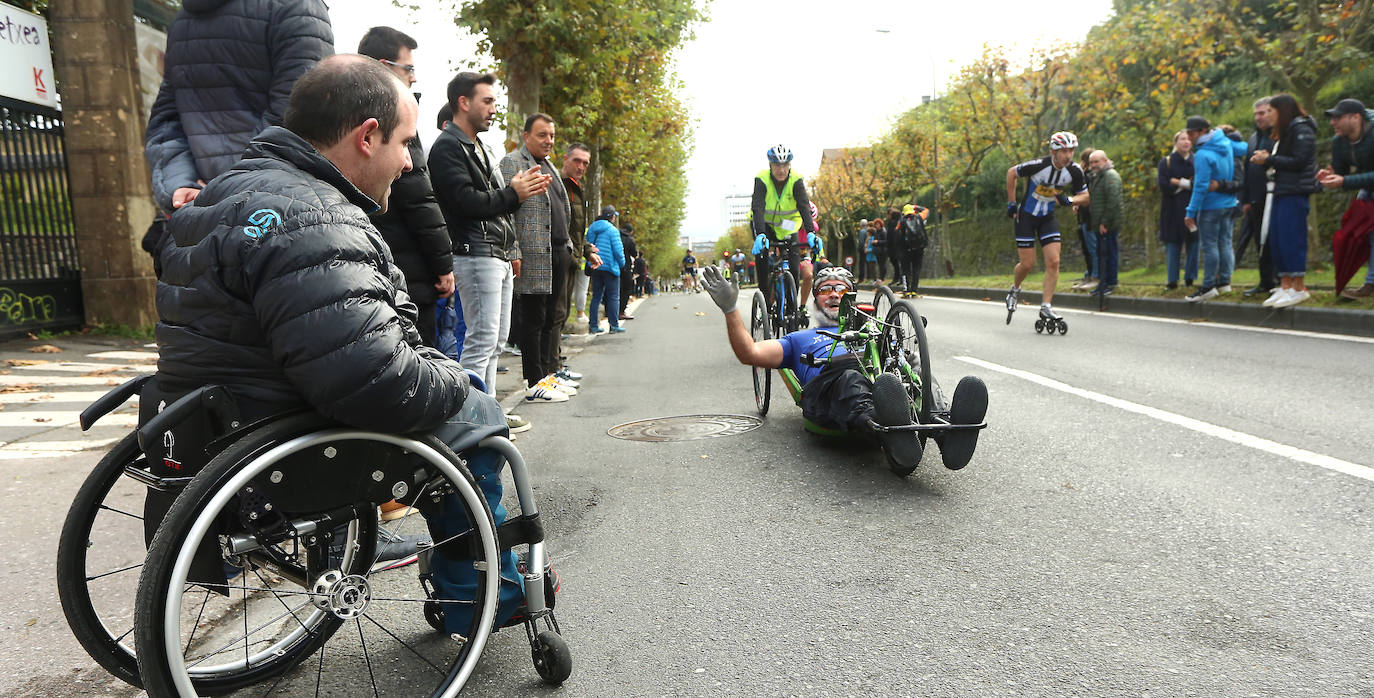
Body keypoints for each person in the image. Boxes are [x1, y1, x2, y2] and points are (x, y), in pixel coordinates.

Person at [152, 54, 527, 636]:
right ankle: (483, 597)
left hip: (207, 429)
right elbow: (373, 380)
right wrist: (455, 379)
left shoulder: (221, 193)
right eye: (405, 144)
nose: (408, 163)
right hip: (288, 447)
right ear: (367, 136)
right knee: (478, 419)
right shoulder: (317, 217)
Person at [698, 265, 922, 471]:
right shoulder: (798, 339)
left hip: (880, 379)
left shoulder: (873, 333)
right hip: (829, 389)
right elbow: (750, 353)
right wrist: (730, 309)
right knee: (850, 375)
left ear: (852, 299)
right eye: (825, 290)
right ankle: (885, 428)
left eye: (841, 289)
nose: (834, 294)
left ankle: (946, 427)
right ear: (815, 301)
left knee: (915, 369)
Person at [144, 0, 334, 215]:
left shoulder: (182, 22)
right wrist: (224, 188)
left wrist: (182, 185)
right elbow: (302, 116)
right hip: (282, 209)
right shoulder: (298, 7)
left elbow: (166, 123)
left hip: (202, 214)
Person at [429, 72, 549, 395]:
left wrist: (516, 198)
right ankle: (472, 421)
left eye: (495, 101)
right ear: (463, 102)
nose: (494, 108)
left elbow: (492, 201)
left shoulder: (477, 146)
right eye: (488, 101)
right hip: (474, 253)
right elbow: (466, 202)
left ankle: (490, 416)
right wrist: (514, 194)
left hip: (495, 254)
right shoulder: (447, 147)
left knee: (495, 343)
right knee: (480, 342)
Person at [357, 27, 453, 350]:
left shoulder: (350, 111)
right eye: (408, 68)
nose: (413, 78)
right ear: (384, 65)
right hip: (407, 271)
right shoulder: (394, 116)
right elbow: (420, 202)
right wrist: (443, 266)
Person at [500, 113, 577, 403]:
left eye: (552, 136)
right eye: (543, 135)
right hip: (532, 255)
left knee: (549, 319)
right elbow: (505, 211)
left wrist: (567, 246)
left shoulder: (549, 167)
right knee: (532, 319)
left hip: (557, 253)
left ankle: (548, 374)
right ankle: (534, 381)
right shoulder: (513, 163)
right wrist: (514, 250)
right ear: (526, 136)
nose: (549, 141)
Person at [1004, 131, 1089, 323]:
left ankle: (1046, 306)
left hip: (1047, 218)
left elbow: (1085, 196)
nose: (1068, 155)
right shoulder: (1039, 165)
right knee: (1027, 264)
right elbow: (1011, 173)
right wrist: (1011, 203)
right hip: (1026, 216)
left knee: (1054, 261)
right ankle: (1014, 289)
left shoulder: (1075, 171)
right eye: (1064, 151)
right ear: (1053, 151)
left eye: (1071, 151)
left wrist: (1069, 200)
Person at [1249, 95, 1318, 308]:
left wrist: (1268, 159)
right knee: (1278, 239)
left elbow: (1299, 161)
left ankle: (1298, 287)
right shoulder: (1284, 132)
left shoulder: (1301, 129)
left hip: (1295, 190)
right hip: (1281, 190)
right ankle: (1285, 285)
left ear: (1283, 110)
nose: (1267, 115)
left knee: (1291, 238)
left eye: (1270, 111)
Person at [1182, 115, 1247, 303]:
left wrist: (1190, 212)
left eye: (1192, 133)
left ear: (1202, 131)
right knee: (1225, 243)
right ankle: (1225, 283)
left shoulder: (1202, 155)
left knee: (1210, 246)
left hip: (1211, 206)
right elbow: (1244, 148)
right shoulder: (1225, 142)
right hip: (1229, 203)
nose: (1190, 136)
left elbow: (1200, 187)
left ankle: (1208, 286)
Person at [1317, 98, 1374, 300]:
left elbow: (1347, 179)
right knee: (1358, 231)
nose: (1333, 122)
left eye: (1338, 118)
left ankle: (1370, 284)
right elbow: (1341, 171)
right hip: (1368, 186)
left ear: (1356, 117)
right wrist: (1330, 175)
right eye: (1332, 118)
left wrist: (1344, 180)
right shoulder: (1339, 141)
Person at [750, 145, 817, 309]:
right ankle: (765, 300)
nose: (781, 170)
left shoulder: (796, 180)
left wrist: (811, 233)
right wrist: (760, 234)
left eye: (785, 165)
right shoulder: (762, 178)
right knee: (763, 260)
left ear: (790, 165)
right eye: (777, 165)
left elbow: (804, 207)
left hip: (788, 228)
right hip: (765, 226)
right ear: (770, 165)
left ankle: (792, 307)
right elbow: (758, 208)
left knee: (794, 269)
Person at [1237, 97, 1279, 298]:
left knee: (1275, 240)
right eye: (1256, 114)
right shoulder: (1253, 138)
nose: (1258, 117)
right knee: (1259, 240)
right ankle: (1265, 280)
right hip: (1255, 199)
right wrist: (1245, 199)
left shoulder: (1279, 136)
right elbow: (1247, 169)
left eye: (1262, 113)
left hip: (1274, 196)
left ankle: (1280, 280)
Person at [560, 143, 601, 326]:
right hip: (557, 260)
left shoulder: (577, 189)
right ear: (565, 159)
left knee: (561, 312)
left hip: (572, 259)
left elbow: (575, 228)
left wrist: (587, 251)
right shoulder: (556, 184)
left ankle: (555, 353)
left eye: (585, 163)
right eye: (577, 161)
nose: (581, 167)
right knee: (553, 314)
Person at [1157, 131, 1198, 290]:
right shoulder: (1166, 162)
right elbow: (1164, 185)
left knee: (1193, 242)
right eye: (1182, 139)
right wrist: (1186, 184)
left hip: (1192, 206)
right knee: (1172, 244)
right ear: (1176, 142)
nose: (1186, 142)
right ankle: (1172, 280)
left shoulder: (1197, 160)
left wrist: (1178, 182)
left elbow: (1199, 184)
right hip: (1171, 209)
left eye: (1188, 139)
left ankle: (1190, 278)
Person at [1087, 150, 1123, 295]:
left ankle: (1110, 283)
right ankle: (1103, 283)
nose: (1093, 165)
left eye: (1097, 161)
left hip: (1108, 223)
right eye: (1091, 162)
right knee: (1102, 253)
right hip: (1100, 222)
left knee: (1108, 252)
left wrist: (1105, 222)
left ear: (1105, 160)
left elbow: (1113, 200)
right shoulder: (1098, 177)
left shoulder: (1110, 176)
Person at [586, 206, 627, 333]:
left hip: (595, 266)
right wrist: (622, 264)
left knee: (596, 297)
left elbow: (587, 246)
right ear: (612, 217)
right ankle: (613, 325)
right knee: (613, 296)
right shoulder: (612, 230)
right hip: (610, 266)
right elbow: (618, 250)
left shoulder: (592, 228)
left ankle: (593, 325)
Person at [1071, 152, 1099, 292]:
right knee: (1087, 249)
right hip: (1084, 218)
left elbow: (1087, 198)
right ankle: (1089, 274)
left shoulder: (1088, 177)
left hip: (1089, 218)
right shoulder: (1084, 177)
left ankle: (1095, 276)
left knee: (1092, 249)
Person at [897, 204, 930, 291]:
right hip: (919, 248)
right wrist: (915, 206)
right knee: (916, 269)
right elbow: (926, 210)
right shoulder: (919, 217)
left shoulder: (901, 221)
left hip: (906, 249)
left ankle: (906, 290)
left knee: (905, 269)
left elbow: (897, 233)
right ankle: (914, 290)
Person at [619, 223, 639, 319]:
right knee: (626, 289)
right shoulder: (629, 240)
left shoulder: (615, 235)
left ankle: (609, 311)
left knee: (614, 289)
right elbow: (634, 253)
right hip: (625, 267)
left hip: (613, 265)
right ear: (630, 232)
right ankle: (621, 311)